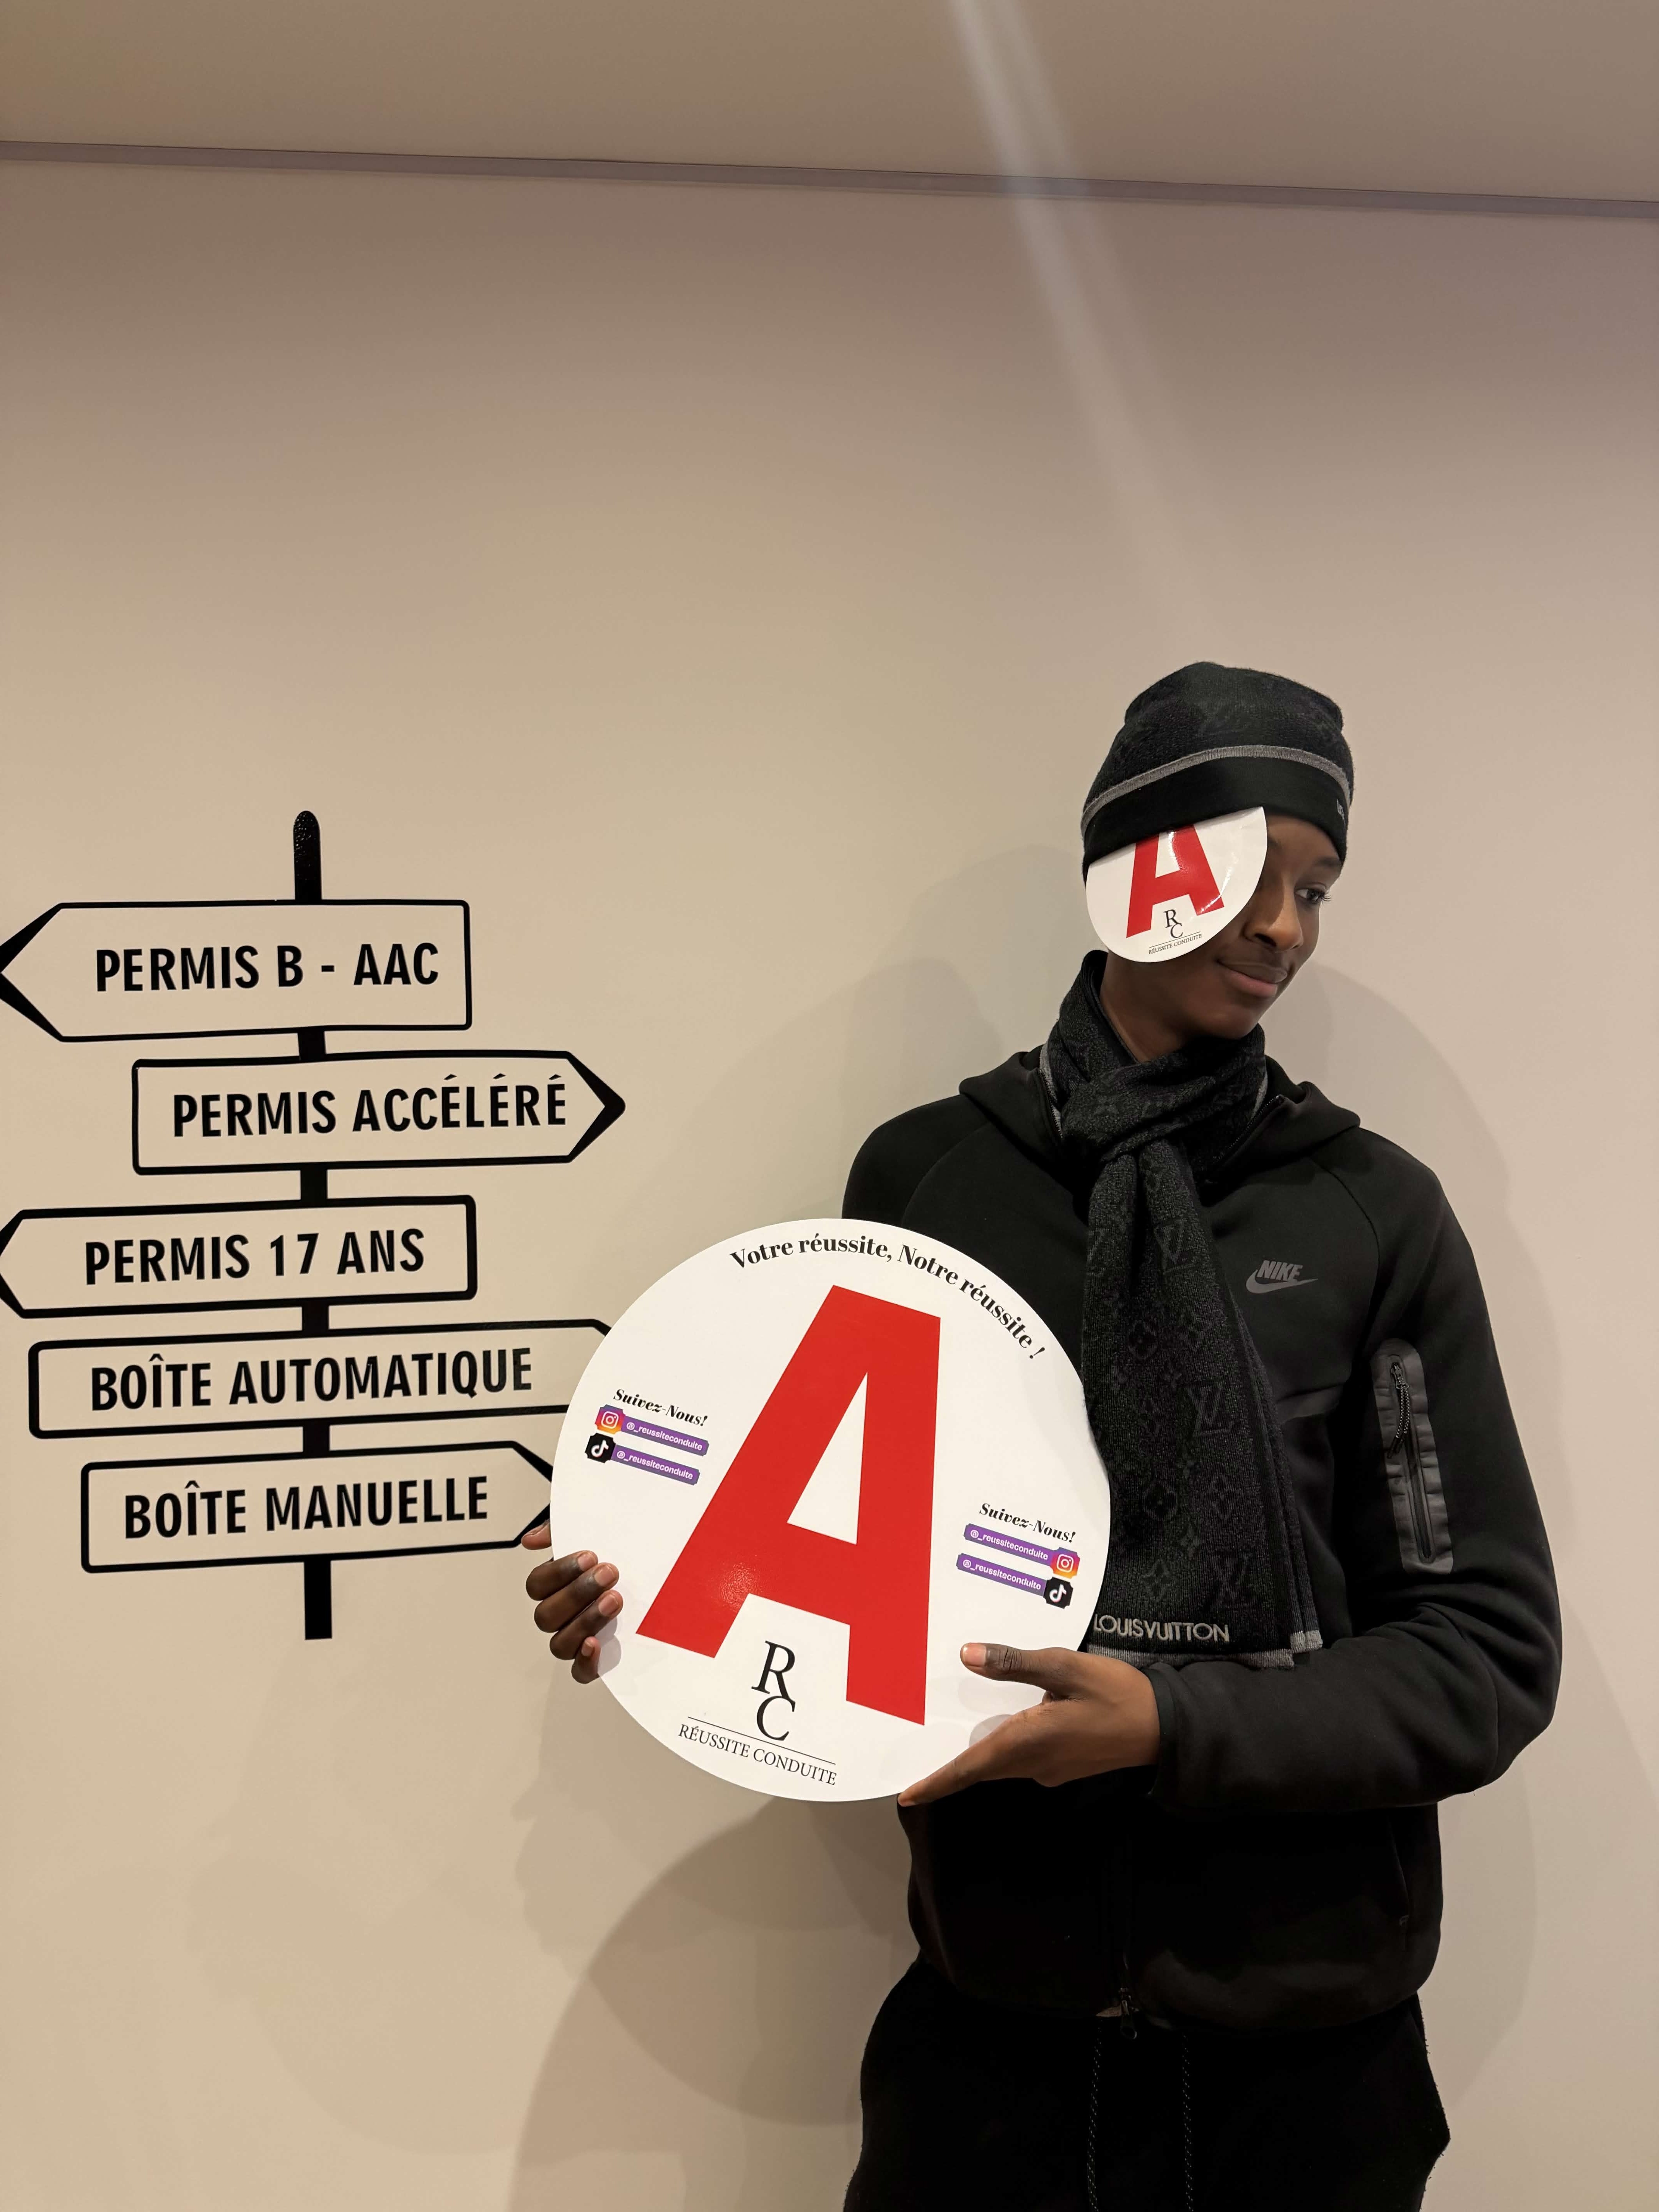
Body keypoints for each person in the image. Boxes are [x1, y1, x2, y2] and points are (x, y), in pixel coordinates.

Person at [523, 662, 1560, 2211]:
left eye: (1316, 887)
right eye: (1246, 870)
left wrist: (1172, 1724)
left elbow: (1483, 1655)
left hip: (1305, 2070)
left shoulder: (1369, 1213)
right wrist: (652, 1583)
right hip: (991, 2047)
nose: (1285, 927)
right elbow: (834, 1545)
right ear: (1129, 866)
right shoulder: (932, 1182)